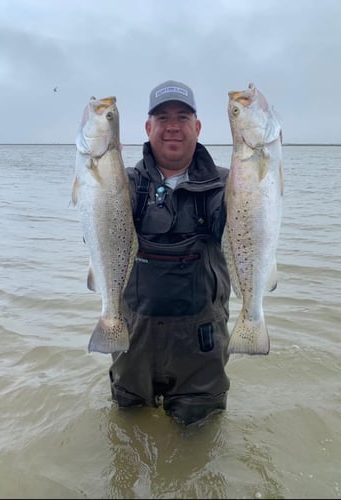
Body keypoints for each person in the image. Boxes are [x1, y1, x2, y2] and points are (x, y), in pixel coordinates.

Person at [109, 80, 231, 426]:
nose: (173, 127)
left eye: (182, 117)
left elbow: (251, 227)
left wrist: (263, 162)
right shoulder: (126, 183)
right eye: (163, 118)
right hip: (132, 338)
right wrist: (103, 169)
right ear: (148, 129)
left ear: (198, 127)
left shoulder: (227, 186)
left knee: (200, 447)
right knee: (125, 439)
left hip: (201, 347)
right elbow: (98, 235)